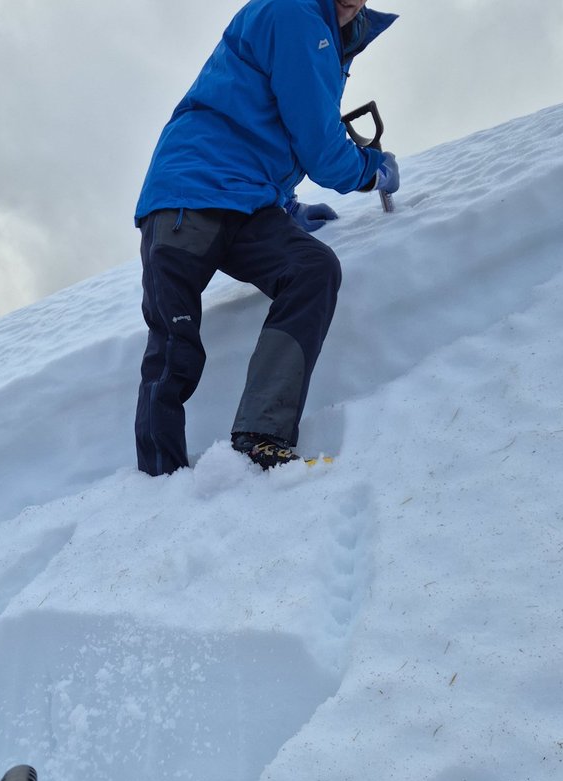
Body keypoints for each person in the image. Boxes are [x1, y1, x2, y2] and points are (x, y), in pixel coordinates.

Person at [134, 0, 399, 475]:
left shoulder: (326, 32)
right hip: (187, 194)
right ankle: (158, 482)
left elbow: (270, 124)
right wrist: (372, 172)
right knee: (175, 344)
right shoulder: (294, 13)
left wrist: (286, 206)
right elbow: (320, 148)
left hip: (249, 201)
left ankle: (261, 435)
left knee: (311, 268)